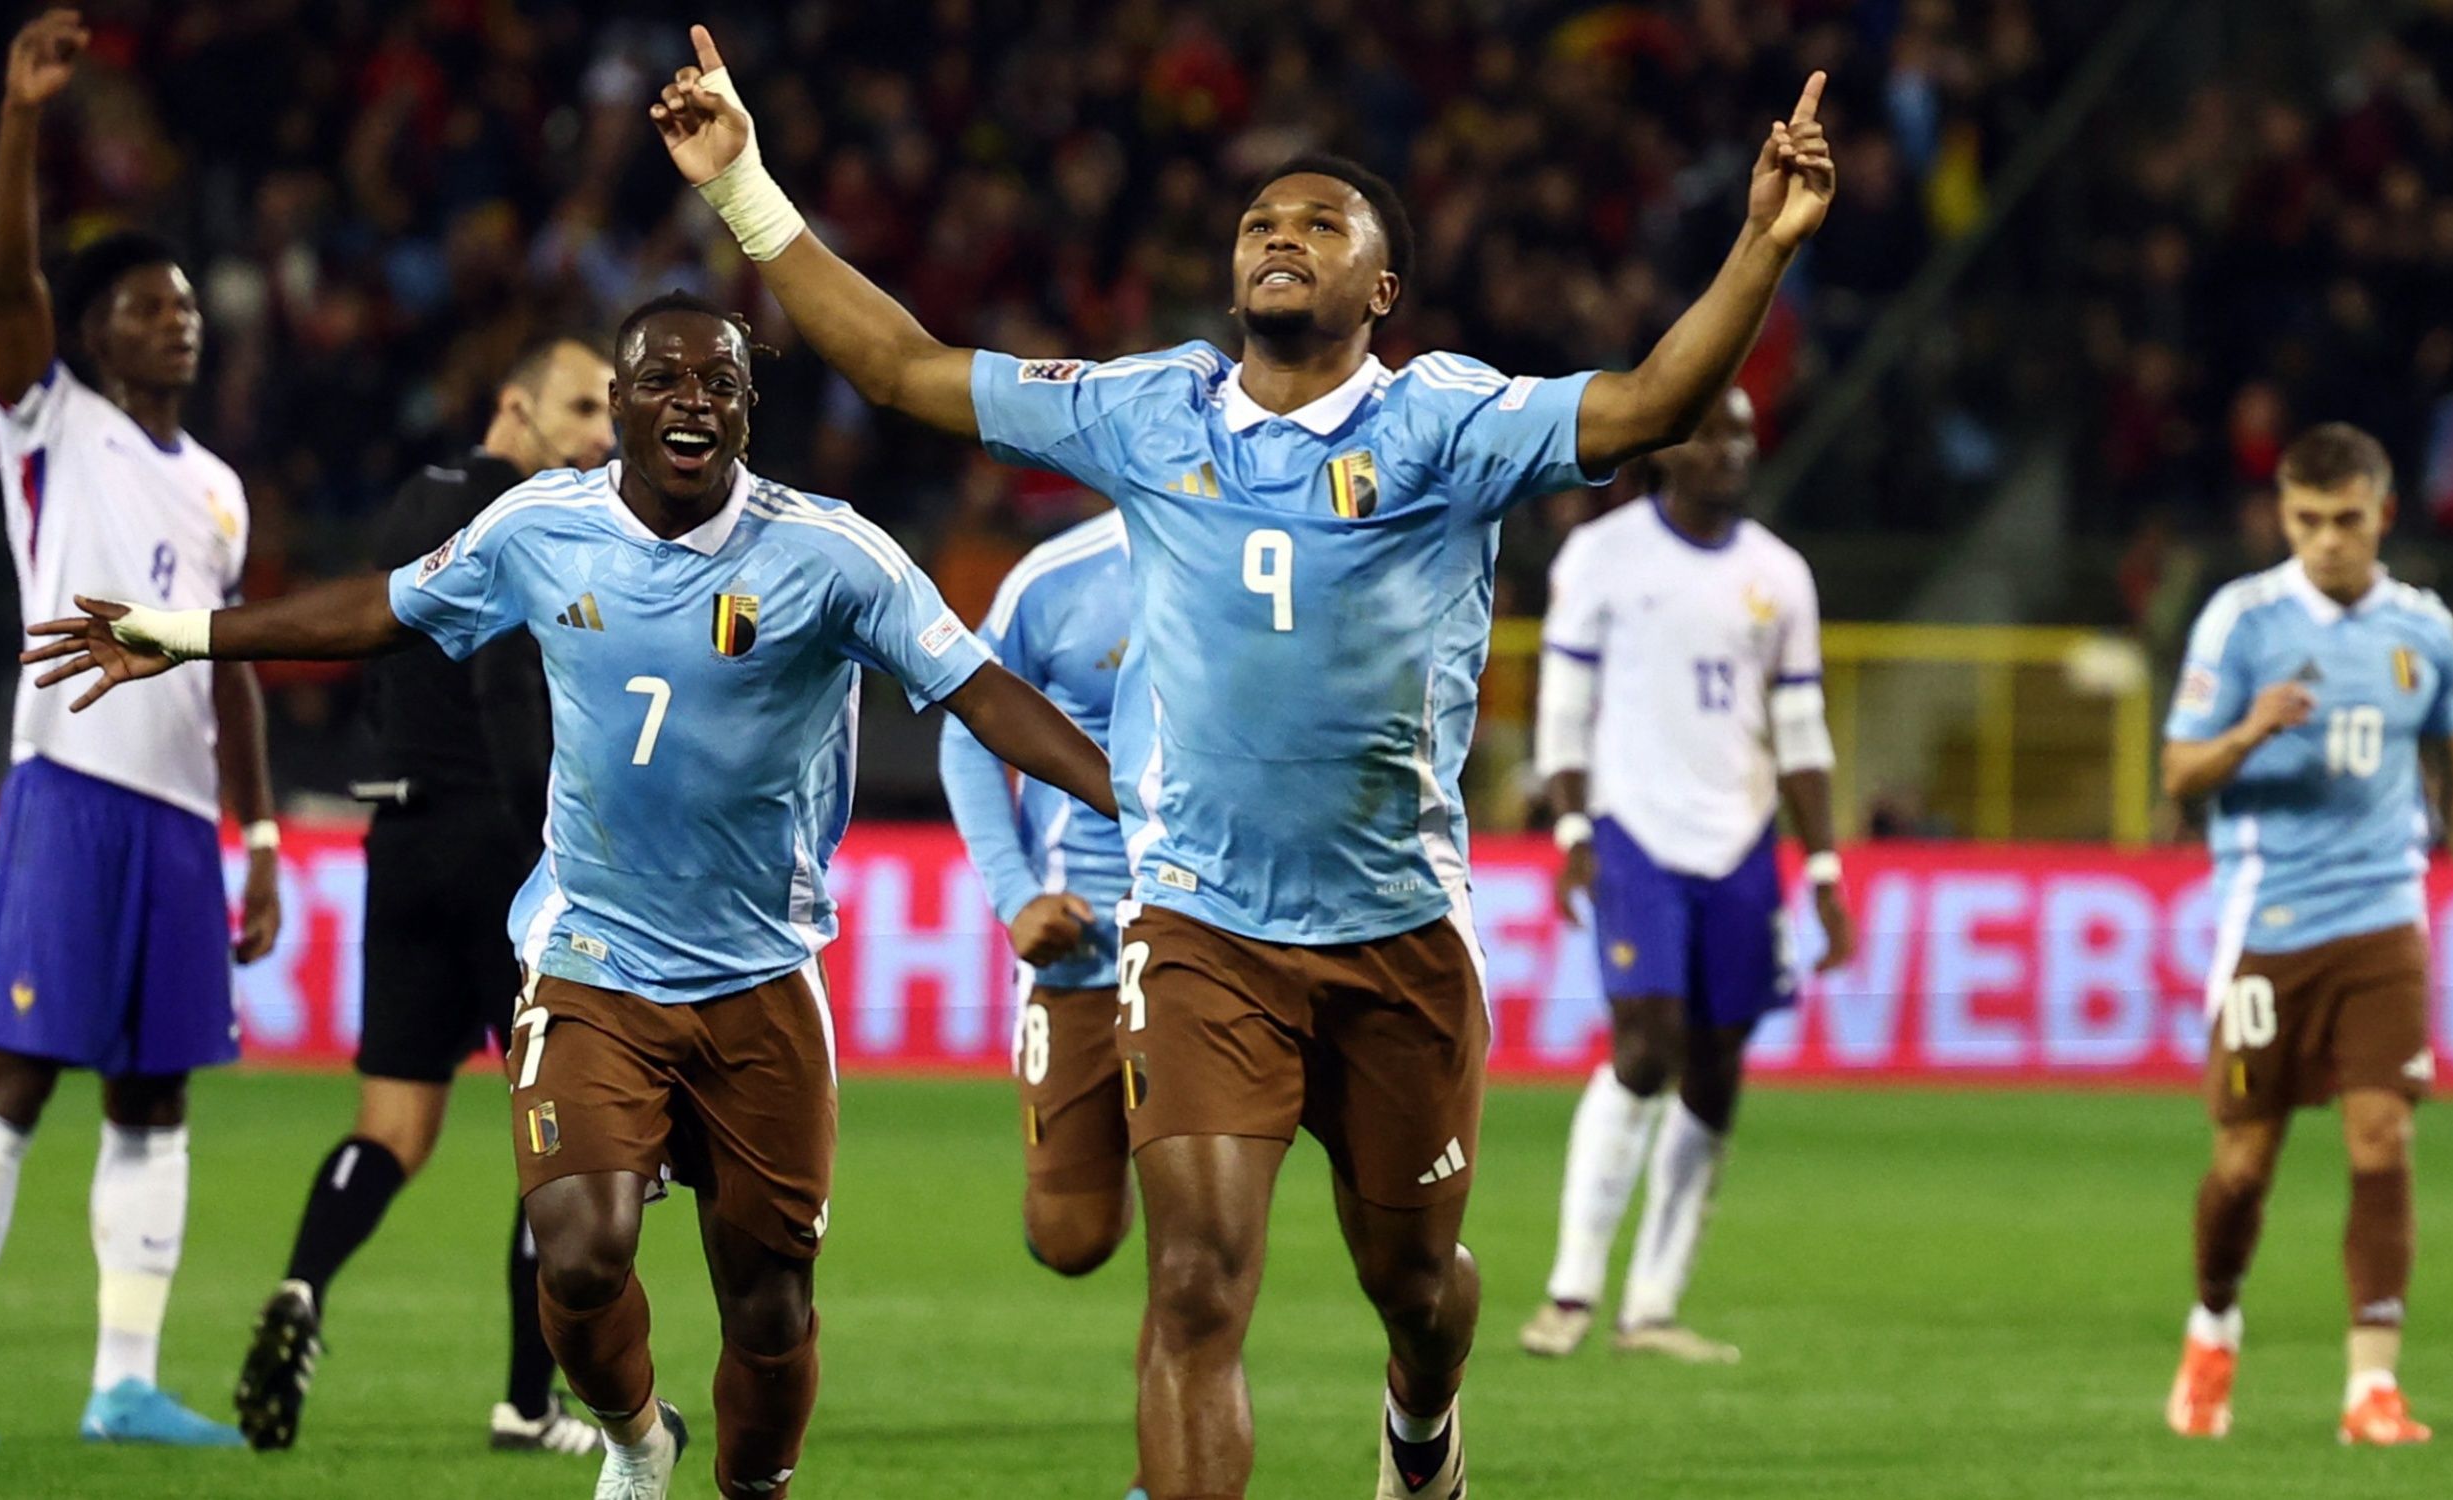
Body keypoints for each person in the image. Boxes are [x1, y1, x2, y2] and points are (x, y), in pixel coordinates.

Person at [651, 27, 1836, 1496]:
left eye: (1319, 224)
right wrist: (745, 191)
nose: (1280, 238)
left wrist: (1762, 245)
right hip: (1204, 927)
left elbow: (1651, 403)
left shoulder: (1449, 422)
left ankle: (1421, 1425)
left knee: (1415, 1286)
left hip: (1398, 932)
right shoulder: (1152, 409)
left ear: (1380, 290)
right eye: (1259, 223)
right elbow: (902, 367)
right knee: (1196, 1286)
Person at [22, 291, 1118, 1500]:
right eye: (660, 380)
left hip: (761, 972)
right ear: (623, 401)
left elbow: (980, 694)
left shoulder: (834, 554)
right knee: (583, 1253)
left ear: (749, 411)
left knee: (767, 1303)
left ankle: (754, 1488)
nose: (691, 401)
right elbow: (381, 610)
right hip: (590, 953)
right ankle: (638, 1442)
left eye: (720, 384)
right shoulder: (537, 526)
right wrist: (187, 633)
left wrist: (1132, 798)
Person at [0, 9, 279, 1451]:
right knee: (12, 1078)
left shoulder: (225, 487)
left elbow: (236, 667)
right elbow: (8, 277)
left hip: (185, 821)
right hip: (69, 782)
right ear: (90, 332)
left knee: (155, 1094)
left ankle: (123, 1382)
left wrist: (257, 834)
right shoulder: (49, 421)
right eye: (144, 302)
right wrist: (20, 122)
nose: (174, 315)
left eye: (185, 301)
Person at [232, 335, 615, 1456]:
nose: (603, 435)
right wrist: (553, 836)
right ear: (516, 407)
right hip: (500, 847)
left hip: (397, 840)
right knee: (560, 1126)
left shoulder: (412, 503)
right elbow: (505, 687)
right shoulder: (532, 520)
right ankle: (526, 1403)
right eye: (584, 409)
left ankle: (304, 1286)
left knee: (391, 1126)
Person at [2158, 423, 2453, 1446]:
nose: (2326, 540)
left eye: (2346, 521)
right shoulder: (2241, 623)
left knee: (2383, 1131)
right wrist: (2246, 732)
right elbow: (2178, 774)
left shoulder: (2423, 630)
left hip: (2382, 916)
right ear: (2284, 515)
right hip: (2267, 921)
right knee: (2244, 1160)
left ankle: (2371, 1387)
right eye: (2306, 520)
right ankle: (2213, 1326)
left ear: (2384, 515)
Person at [1517, 390, 1854, 1365]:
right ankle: (1572, 1289)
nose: (1731, 450)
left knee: (1716, 1062)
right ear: (1665, 448)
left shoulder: (1778, 575)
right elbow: (1565, 702)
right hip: (1634, 828)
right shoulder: (1604, 556)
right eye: (1711, 432)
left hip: (1741, 841)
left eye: (1744, 432)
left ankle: (1651, 1308)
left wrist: (1823, 863)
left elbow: (1800, 730)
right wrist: (1572, 823)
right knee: (1647, 1041)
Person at [939, 507, 1136, 1283]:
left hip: (1221, 930)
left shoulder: (1274, 552)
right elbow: (968, 727)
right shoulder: (1056, 578)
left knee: (1203, 1227)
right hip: (1085, 942)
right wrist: (1017, 895)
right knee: (1071, 1238)